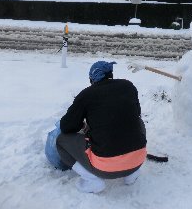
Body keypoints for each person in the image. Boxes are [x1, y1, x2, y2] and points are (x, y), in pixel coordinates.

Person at [56, 60, 147, 193]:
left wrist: (84, 125)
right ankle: (131, 175)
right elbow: (135, 114)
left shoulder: (86, 95)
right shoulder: (128, 86)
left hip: (105, 169)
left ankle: (92, 180)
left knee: (61, 140)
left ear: (92, 78)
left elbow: (66, 127)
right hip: (138, 161)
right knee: (139, 123)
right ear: (110, 74)